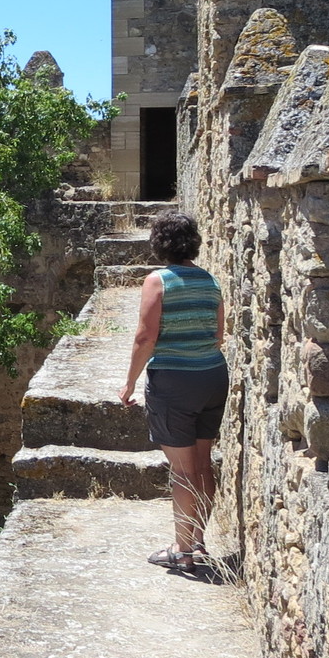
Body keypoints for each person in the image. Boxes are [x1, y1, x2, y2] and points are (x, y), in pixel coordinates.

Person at [118, 211, 227, 572]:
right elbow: (218, 335)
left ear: (159, 243)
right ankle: (197, 541)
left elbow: (145, 337)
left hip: (175, 381)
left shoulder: (158, 281)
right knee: (202, 463)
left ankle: (181, 550)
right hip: (212, 377)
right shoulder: (210, 281)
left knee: (182, 470)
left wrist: (129, 382)